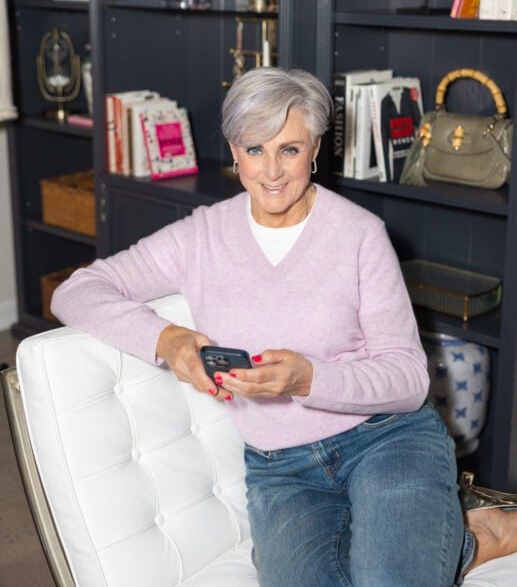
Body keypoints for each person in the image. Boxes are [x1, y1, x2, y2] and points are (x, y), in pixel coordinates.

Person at [51, 68, 517, 586]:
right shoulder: (199, 237)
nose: (272, 171)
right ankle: (458, 540)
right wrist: (167, 339)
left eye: (289, 149)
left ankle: (458, 536)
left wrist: (309, 378)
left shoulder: (360, 235)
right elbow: (76, 292)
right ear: (235, 150)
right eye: (255, 149)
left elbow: (409, 380)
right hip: (282, 469)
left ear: (314, 148)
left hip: (387, 439)